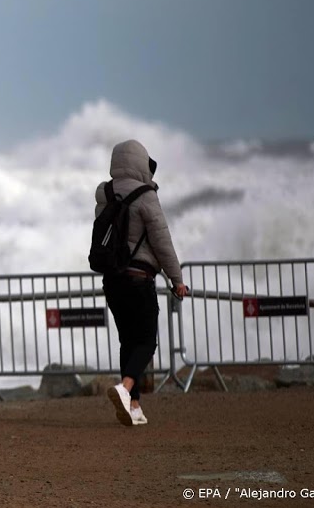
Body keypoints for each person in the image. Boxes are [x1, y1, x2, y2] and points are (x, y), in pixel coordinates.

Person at [95, 139, 188, 426]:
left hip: (112, 280)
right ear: (140, 162)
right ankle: (124, 388)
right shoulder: (147, 196)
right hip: (139, 279)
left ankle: (133, 405)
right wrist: (177, 279)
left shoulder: (105, 193)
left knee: (128, 341)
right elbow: (162, 241)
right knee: (147, 341)